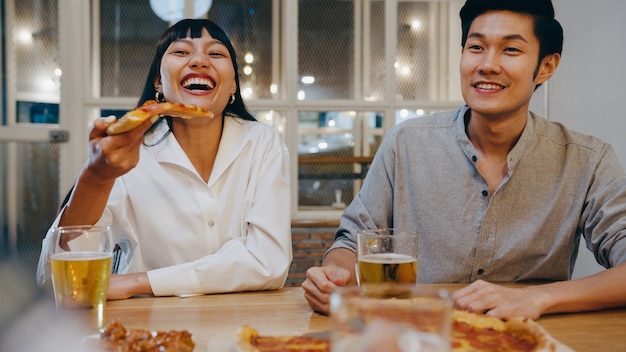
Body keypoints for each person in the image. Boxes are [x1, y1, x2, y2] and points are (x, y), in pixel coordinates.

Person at [302, 0, 626, 320]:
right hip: (418, 335)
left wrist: (537, 297)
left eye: (510, 50)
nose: (487, 64)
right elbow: (353, 240)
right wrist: (334, 275)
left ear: (546, 66)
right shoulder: (407, 144)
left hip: (527, 339)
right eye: (476, 47)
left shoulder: (586, 161)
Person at [36, 19, 292, 299]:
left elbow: (269, 263)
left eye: (216, 54)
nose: (199, 60)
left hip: (243, 330)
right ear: (158, 81)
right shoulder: (130, 151)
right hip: (150, 331)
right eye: (181, 52)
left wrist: (136, 282)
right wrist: (96, 177)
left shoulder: (262, 143)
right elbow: (56, 277)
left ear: (233, 86)